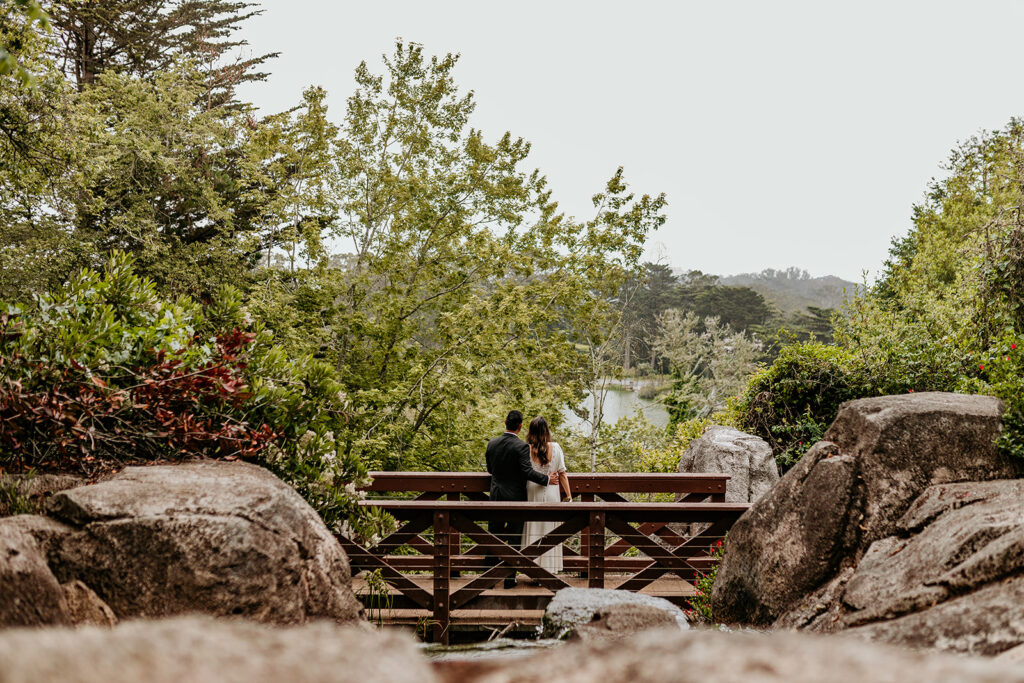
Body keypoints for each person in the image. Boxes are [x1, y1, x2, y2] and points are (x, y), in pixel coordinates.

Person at [485, 410, 558, 589]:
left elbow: (489, 469)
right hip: (515, 498)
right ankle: (509, 578)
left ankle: (487, 580)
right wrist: (547, 479)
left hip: (495, 495)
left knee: (494, 536)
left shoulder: (492, 443)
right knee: (514, 538)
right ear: (520, 426)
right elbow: (527, 472)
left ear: (505, 422)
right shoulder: (521, 447)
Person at [522, 416, 571, 575]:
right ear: (546, 431)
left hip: (532, 492)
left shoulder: (526, 449)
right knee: (549, 530)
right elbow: (562, 474)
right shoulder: (556, 448)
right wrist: (569, 496)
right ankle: (548, 570)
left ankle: (532, 569)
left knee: (534, 527)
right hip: (551, 492)